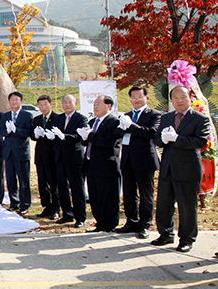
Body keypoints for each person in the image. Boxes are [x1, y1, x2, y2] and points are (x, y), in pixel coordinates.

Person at [152, 85, 210, 253]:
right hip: (168, 167)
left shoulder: (200, 118)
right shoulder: (167, 118)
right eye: (176, 98)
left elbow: (200, 142)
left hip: (187, 168)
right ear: (171, 100)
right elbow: (157, 139)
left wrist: (177, 139)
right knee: (164, 204)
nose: (179, 101)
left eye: (183, 97)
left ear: (190, 98)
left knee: (187, 206)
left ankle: (187, 239)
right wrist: (162, 139)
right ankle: (166, 233)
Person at [115, 86, 161, 239]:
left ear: (146, 98)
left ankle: (145, 224)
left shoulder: (154, 114)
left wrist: (131, 126)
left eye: (139, 96)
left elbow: (152, 133)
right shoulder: (126, 115)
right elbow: (119, 134)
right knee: (129, 193)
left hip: (145, 159)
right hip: (127, 159)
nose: (136, 100)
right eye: (133, 97)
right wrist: (121, 127)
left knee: (146, 193)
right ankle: (131, 221)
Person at [78, 95, 123, 232]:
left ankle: (109, 224)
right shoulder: (92, 122)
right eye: (94, 104)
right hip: (91, 165)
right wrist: (84, 137)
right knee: (95, 196)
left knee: (108, 196)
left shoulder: (114, 122)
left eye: (98, 103)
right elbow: (87, 142)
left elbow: (110, 143)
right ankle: (100, 223)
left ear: (108, 106)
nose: (95, 106)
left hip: (107, 166)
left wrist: (90, 136)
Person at [48, 94, 88, 228]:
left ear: (75, 104)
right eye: (64, 102)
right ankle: (67, 214)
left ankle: (80, 217)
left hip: (75, 158)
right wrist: (52, 137)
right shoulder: (58, 118)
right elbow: (54, 134)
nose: (66, 105)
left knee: (77, 188)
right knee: (62, 188)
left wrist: (64, 136)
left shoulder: (81, 118)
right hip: (60, 157)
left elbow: (79, 137)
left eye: (69, 102)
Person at [0, 91, 33, 215]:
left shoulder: (27, 115)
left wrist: (16, 130)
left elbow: (28, 132)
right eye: (12, 100)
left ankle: (25, 204)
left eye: (16, 100)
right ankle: (14, 203)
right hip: (8, 152)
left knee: (24, 180)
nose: (14, 102)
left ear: (21, 101)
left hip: (21, 152)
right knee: (11, 179)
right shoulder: (5, 116)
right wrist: (7, 131)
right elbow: (1, 131)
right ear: (9, 102)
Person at [29, 95, 60, 220]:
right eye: (40, 105)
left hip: (52, 155)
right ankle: (46, 206)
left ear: (50, 104)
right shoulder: (37, 119)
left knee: (53, 183)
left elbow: (59, 136)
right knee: (42, 183)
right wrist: (35, 135)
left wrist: (50, 136)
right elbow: (32, 135)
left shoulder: (57, 118)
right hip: (40, 155)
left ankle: (56, 208)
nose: (43, 107)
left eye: (45, 104)